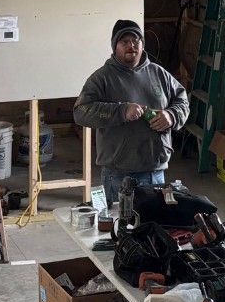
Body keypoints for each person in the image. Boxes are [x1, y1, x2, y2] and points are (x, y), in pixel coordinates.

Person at [73, 19, 188, 199]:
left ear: (142, 45)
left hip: (155, 171)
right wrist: (122, 111)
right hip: (118, 175)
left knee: (154, 225)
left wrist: (171, 115)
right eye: (124, 41)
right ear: (115, 47)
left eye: (136, 41)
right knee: (121, 224)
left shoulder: (159, 74)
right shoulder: (102, 78)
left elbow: (182, 101)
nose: (131, 45)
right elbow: (80, 112)